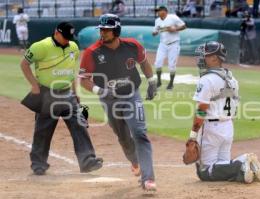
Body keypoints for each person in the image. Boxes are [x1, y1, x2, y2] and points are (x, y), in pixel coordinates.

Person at [79, 14, 157, 191]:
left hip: (131, 95)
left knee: (139, 132)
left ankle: (148, 178)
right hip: (109, 99)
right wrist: (101, 91)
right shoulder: (92, 52)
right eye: (102, 30)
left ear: (116, 30)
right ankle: (134, 161)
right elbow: (84, 80)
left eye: (107, 30)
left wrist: (152, 82)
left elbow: (144, 62)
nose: (103, 33)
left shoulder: (132, 45)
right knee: (123, 136)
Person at [20, 21, 103, 175]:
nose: (67, 40)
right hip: (47, 94)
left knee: (80, 125)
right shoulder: (40, 46)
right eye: (65, 36)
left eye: (69, 37)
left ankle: (87, 161)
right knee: (43, 130)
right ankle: (38, 164)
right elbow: (24, 64)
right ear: (56, 32)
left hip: (67, 94)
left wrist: (75, 92)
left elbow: (71, 72)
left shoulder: (73, 47)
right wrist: (34, 85)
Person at [186, 41, 260, 183]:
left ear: (214, 58)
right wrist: (227, 126)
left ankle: (241, 162)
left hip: (211, 129)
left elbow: (201, 110)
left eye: (205, 55)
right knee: (222, 168)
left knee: (204, 172)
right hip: (228, 127)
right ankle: (246, 167)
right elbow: (235, 106)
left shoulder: (207, 79)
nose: (202, 58)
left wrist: (193, 136)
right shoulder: (232, 79)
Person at [152, 5, 186, 90]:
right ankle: (159, 81)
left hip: (174, 44)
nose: (158, 12)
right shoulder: (157, 20)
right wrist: (155, 33)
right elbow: (155, 31)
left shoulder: (173, 17)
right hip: (162, 44)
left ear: (164, 11)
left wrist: (175, 29)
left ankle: (171, 83)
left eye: (159, 11)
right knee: (158, 63)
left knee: (172, 65)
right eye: (157, 11)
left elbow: (184, 26)